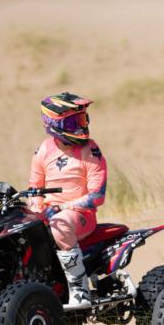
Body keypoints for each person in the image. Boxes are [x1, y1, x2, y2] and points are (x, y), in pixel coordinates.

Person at [28, 92, 107, 310]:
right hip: (49, 214)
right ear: (53, 123)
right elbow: (34, 188)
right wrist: (37, 210)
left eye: (83, 119)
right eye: (74, 121)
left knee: (59, 226)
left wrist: (64, 207)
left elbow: (97, 196)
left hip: (81, 216)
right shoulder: (43, 150)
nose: (82, 126)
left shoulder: (90, 150)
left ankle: (80, 289)